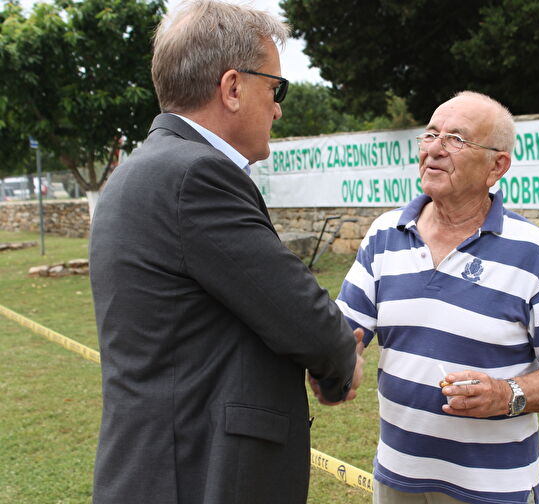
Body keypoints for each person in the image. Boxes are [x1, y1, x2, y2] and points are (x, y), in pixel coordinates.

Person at [88, 2, 363, 503]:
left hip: (161, 465)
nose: (278, 107)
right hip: (196, 472)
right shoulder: (197, 175)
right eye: (274, 88)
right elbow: (298, 312)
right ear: (233, 88)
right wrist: (339, 364)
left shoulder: (141, 169)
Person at [336, 91, 539, 504]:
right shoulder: (385, 235)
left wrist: (506, 395)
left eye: (457, 139)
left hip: (494, 489)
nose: (434, 149)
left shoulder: (533, 252)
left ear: (497, 166)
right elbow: (347, 331)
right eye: (431, 134)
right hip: (396, 478)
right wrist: (338, 362)